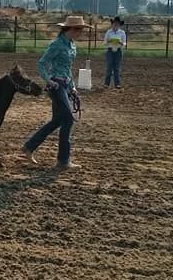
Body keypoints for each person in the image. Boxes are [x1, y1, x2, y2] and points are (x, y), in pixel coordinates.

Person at [21, 14, 91, 170]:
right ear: (69, 29)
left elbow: (68, 68)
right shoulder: (57, 45)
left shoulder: (71, 45)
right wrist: (49, 80)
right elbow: (42, 63)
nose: (80, 32)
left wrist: (72, 86)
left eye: (81, 29)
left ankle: (29, 146)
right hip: (57, 86)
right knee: (68, 120)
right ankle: (63, 161)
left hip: (65, 85)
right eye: (78, 29)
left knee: (57, 121)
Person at [103, 16, 127, 88]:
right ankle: (106, 84)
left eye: (117, 24)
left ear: (119, 25)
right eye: (114, 23)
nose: (115, 25)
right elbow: (104, 43)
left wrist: (121, 43)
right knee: (109, 67)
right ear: (112, 24)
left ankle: (117, 84)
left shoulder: (122, 33)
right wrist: (108, 41)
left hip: (118, 50)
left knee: (117, 67)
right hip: (110, 50)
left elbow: (124, 43)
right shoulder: (108, 32)